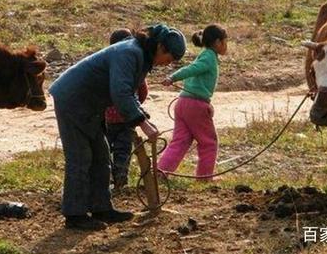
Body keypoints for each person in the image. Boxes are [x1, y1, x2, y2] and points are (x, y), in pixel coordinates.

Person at [49, 24, 186, 231]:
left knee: (102, 155)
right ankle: (75, 214)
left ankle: (101, 207)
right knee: (80, 157)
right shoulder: (129, 53)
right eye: (170, 57)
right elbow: (120, 93)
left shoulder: (141, 57)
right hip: (73, 100)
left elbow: (129, 93)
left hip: (91, 105)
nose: (169, 63)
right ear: (160, 46)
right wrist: (142, 123)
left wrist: (145, 120)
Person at [158, 24, 228, 179]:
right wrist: (173, 77)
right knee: (209, 142)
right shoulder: (209, 57)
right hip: (196, 105)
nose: (226, 46)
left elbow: (193, 69)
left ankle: (159, 173)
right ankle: (205, 177)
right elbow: (192, 69)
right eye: (225, 42)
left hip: (183, 102)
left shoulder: (205, 55)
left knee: (180, 141)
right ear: (217, 42)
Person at [104, 29, 149, 191]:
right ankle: (121, 177)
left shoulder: (107, 64)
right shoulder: (134, 65)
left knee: (105, 149)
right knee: (123, 150)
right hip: (126, 118)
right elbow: (143, 92)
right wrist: (134, 107)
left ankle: (106, 177)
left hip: (107, 118)